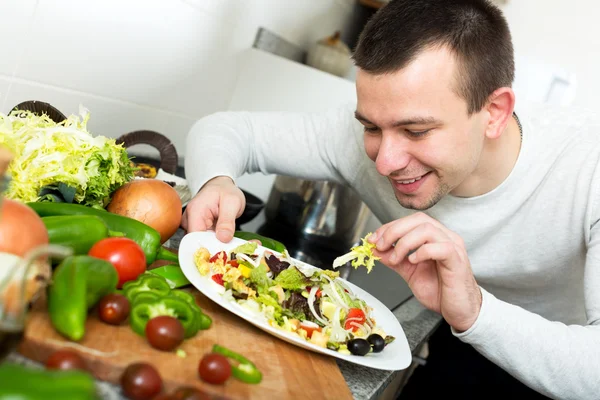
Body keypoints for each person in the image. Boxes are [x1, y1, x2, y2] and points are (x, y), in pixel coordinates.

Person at [182, 0, 600, 398]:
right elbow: (227, 131)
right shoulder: (365, 141)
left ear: (494, 112)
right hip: (457, 339)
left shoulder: (588, 167)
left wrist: (474, 310)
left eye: (416, 131)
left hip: (565, 364)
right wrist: (216, 181)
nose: (385, 162)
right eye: (371, 127)